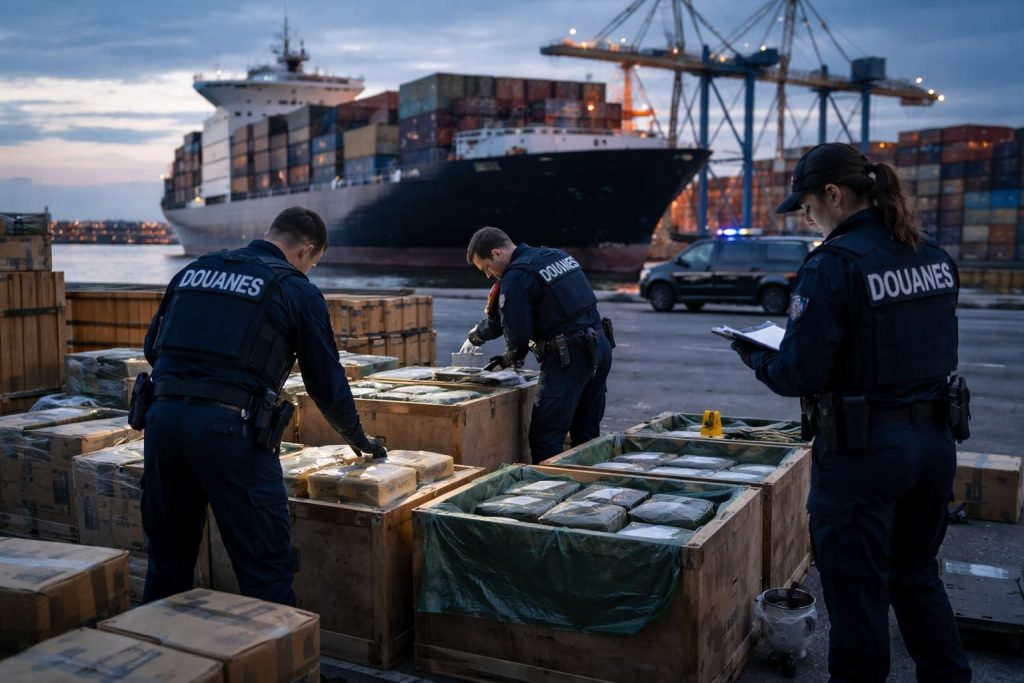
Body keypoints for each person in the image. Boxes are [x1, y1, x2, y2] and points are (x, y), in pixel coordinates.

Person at [731, 143, 971, 682]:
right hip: (934, 443)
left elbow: (798, 373)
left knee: (857, 596)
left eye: (809, 206)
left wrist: (752, 353)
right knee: (916, 579)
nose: (809, 218)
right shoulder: (931, 255)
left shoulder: (833, 266)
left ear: (834, 195)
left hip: (864, 456)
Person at [139, 206, 386, 606]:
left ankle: (161, 659)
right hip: (230, 431)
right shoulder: (295, 288)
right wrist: (357, 438)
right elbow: (325, 382)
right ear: (306, 251)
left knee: (167, 562)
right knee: (265, 567)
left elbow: (153, 348)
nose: (310, 270)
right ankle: (281, 662)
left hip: (162, 423)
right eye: (314, 263)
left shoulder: (192, 272)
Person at [464, 227, 613, 462]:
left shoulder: (516, 277)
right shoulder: (556, 255)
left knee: (546, 438)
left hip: (569, 359)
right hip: (601, 349)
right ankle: (589, 489)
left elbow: (517, 333)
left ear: (497, 253)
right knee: (587, 434)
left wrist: (509, 357)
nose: (488, 275)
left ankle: (550, 495)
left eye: (486, 268)